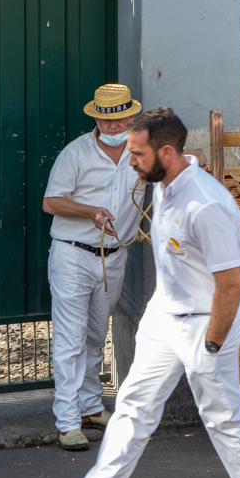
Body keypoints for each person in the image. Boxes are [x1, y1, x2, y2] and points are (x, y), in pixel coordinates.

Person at [32, 107, 240, 478]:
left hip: (207, 323)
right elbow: (189, 163)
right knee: (131, 409)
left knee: (222, 417)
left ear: (165, 153)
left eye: (137, 154)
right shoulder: (163, 182)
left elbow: (231, 284)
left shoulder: (206, 204)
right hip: (165, 318)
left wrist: (212, 345)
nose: (130, 161)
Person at [42, 84, 148, 451]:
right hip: (72, 254)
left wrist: (195, 156)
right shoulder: (75, 152)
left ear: (131, 116)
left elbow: (176, 163)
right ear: (96, 118)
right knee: (70, 338)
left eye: (119, 117)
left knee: (95, 333)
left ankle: (89, 407)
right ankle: (67, 422)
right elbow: (51, 202)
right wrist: (90, 211)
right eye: (106, 118)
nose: (113, 124)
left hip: (114, 255)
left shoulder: (141, 152)